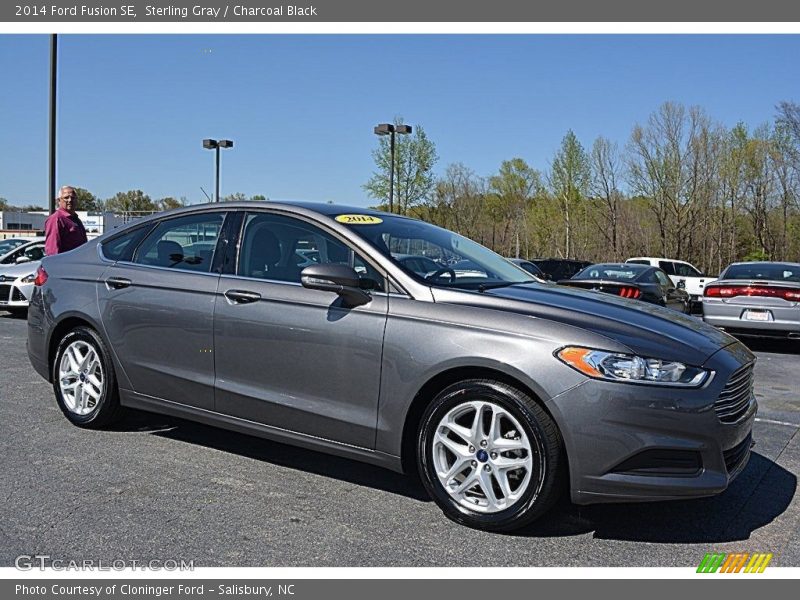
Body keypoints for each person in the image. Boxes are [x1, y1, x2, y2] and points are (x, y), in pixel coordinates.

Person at [44, 185, 88, 255]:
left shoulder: (77, 220)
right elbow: (52, 251)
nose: (70, 200)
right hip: (64, 264)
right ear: (58, 201)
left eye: (73, 198)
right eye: (66, 198)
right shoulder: (56, 219)